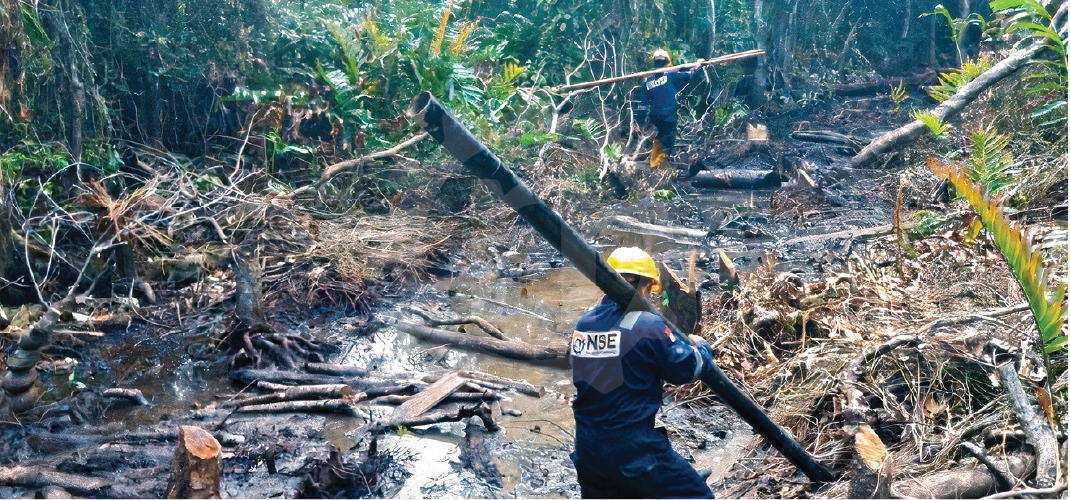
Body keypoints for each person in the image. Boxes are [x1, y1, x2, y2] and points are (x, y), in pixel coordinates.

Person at [569, 246, 716, 500]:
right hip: (633, 450)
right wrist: (701, 347)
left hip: (588, 448)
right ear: (644, 285)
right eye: (649, 288)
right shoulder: (647, 324)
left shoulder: (585, 323)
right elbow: (686, 369)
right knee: (698, 497)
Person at [633, 49, 694, 164]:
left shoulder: (648, 79)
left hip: (655, 117)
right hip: (668, 117)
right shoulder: (670, 75)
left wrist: (640, 120)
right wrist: (698, 66)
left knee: (659, 139)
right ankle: (662, 165)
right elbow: (689, 76)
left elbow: (643, 103)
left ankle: (658, 164)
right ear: (667, 61)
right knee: (667, 141)